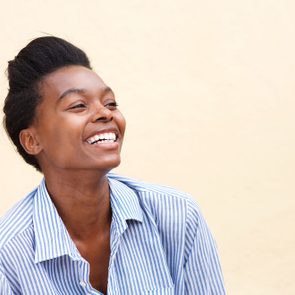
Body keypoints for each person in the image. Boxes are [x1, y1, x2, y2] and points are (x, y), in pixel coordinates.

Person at [0, 36, 226, 295]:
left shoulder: (177, 216)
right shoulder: (7, 256)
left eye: (110, 103)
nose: (106, 113)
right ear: (32, 140)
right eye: (78, 105)